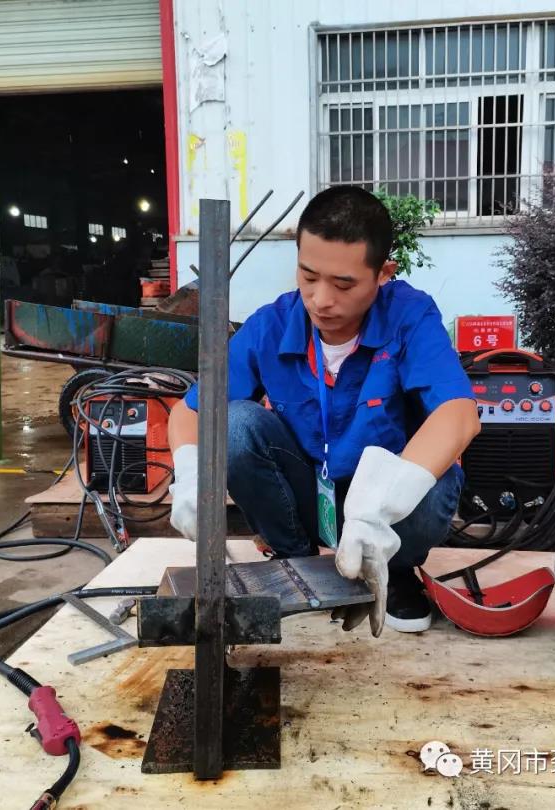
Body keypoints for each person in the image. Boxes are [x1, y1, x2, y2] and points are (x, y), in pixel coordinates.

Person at [167, 186, 479, 636]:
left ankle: (394, 570)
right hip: (309, 496)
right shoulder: (272, 325)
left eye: (343, 284)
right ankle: (295, 560)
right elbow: (191, 411)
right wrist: (190, 474)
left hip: (387, 517)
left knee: (440, 475)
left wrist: (379, 507)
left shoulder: (409, 317)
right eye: (308, 276)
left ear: (383, 273)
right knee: (232, 424)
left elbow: (459, 414)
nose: (321, 299)